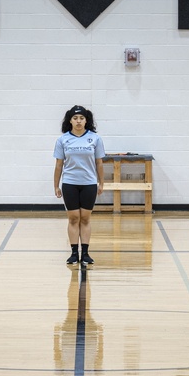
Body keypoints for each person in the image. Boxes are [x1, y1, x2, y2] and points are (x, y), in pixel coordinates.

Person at [53, 105, 105, 265]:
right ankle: (74, 253)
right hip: (70, 183)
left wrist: (101, 183)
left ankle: (86, 253)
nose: (78, 121)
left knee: (86, 218)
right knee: (74, 218)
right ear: (70, 120)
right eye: (75, 118)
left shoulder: (95, 138)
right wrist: (56, 186)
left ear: (86, 120)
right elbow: (59, 165)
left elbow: (99, 163)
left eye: (81, 118)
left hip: (89, 183)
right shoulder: (62, 140)